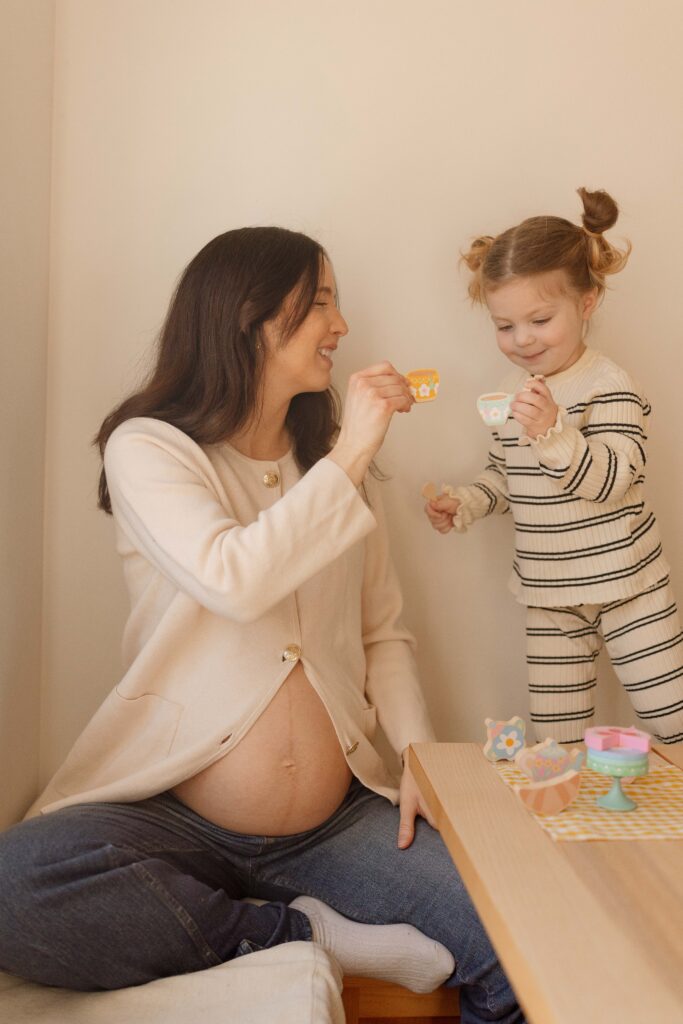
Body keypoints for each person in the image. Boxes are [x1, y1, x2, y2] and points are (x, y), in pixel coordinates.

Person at [0, 227, 524, 1024]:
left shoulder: (334, 467)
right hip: (169, 812)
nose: (341, 326)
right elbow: (232, 579)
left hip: (334, 822)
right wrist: (353, 451)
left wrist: (419, 756)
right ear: (247, 316)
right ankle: (302, 935)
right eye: (320, 303)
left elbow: (381, 632)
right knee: (15, 884)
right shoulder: (151, 450)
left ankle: (292, 918)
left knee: (514, 935)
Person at [425, 188, 683, 746]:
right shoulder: (508, 392)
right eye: (504, 325)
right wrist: (466, 502)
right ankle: (567, 803)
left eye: (540, 319)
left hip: (628, 585)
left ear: (586, 303)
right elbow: (507, 477)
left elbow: (614, 478)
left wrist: (553, 432)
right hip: (549, 595)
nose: (522, 340)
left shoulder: (607, 385)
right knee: (556, 738)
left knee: (673, 717)